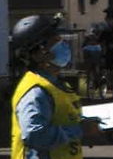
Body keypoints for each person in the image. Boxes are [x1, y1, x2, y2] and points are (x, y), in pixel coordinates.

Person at [11, 14, 100, 159]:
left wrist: (91, 128)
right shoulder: (36, 92)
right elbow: (35, 135)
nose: (63, 44)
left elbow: (63, 121)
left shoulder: (57, 84)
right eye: (55, 41)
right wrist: (78, 130)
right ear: (39, 54)